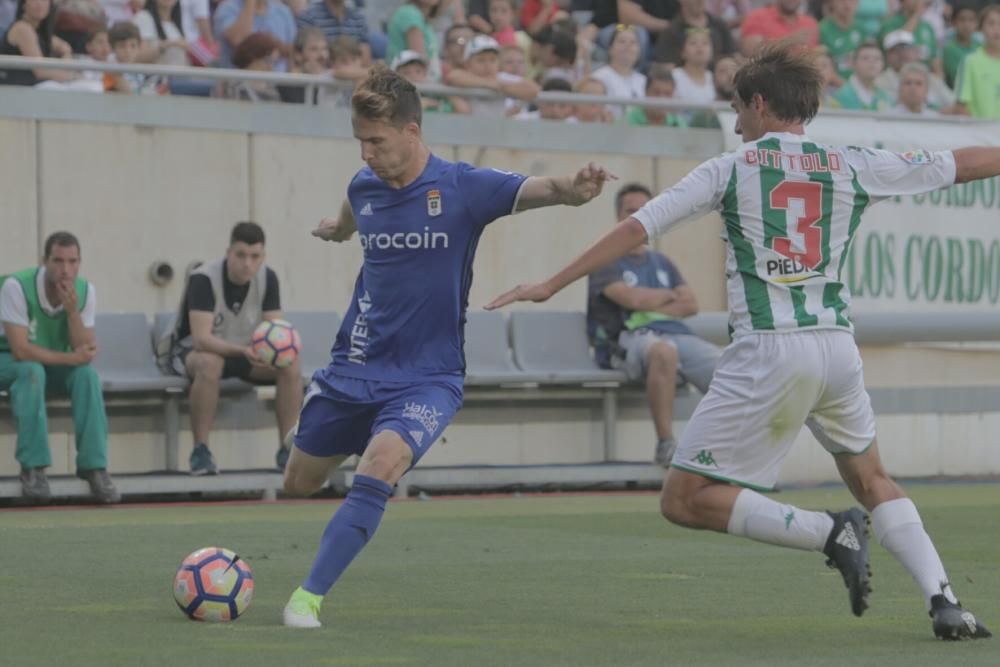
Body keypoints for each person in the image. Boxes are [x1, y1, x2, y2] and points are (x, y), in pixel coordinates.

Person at [485, 43, 998, 641]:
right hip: (836, 349)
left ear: (759, 103)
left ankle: (829, 532)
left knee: (683, 498)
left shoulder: (732, 167)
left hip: (770, 350)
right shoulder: (852, 161)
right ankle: (946, 601)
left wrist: (552, 281)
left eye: (737, 109)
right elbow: (956, 163)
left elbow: (637, 227)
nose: (734, 123)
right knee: (873, 476)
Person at [279, 64, 613, 628]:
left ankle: (306, 598)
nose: (366, 154)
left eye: (376, 142)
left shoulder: (463, 188)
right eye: (360, 141)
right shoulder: (363, 189)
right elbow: (348, 219)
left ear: (412, 131)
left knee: (382, 463)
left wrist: (574, 192)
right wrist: (333, 231)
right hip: (355, 367)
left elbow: (545, 190)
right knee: (297, 484)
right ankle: (304, 437)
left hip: (428, 377)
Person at [587, 183, 719, 465]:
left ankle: (724, 451)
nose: (638, 216)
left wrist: (651, 299)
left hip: (677, 335)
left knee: (729, 368)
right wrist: (670, 296)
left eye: (645, 210)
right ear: (618, 217)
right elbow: (631, 298)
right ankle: (666, 445)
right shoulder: (605, 258)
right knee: (663, 351)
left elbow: (691, 305)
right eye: (631, 211)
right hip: (628, 340)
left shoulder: (662, 262)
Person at [159, 222, 303, 475]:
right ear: (228, 253)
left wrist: (278, 350)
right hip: (190, 353)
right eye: (241, 255)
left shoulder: (268, 278)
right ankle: (200, 452)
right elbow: (201, 339)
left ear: (263, 257)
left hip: (246, 353)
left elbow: (276, 331)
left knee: (290, 365)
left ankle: (287, 450)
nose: (247, 263)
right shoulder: (203, 278)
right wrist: (243, 351)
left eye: (254, 256)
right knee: (209, 363)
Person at [0, 232, 120, 504]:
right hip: (8, 361)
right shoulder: (17, 287)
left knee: (86, 376)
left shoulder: (85, 291)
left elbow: (85, 350)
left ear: (79, 263)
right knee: (31, 371)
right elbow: (20, 349)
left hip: (47, 364)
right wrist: (71, 359)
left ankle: (94, 466)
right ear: (45, 261)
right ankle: (33, 468)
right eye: (58, 261)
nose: (65, 269)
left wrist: (73, 313)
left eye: (72, 261)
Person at [0, 0, 78, 87]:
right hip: (16, 89)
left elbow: (65, 47)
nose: (40, 4)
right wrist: (72, 76)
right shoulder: (22, 28)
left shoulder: (39, 32)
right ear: (24, 4)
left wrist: (66, 59)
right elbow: (40, 71)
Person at [213, 0, 297, 70]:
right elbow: (240, 41)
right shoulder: (228, 9)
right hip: (238, 85)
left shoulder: (283, 12)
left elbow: (292, 54)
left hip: (279, 85)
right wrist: (250, 3)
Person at [954, 5, 1000, 119]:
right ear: (981, 28)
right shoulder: (970, 62)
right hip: (981, 135)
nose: (997, 29)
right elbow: (961, 105)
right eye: (991, 23)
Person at [830, 41, 893, 111]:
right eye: (865, 58)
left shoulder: (886, 98)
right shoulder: (841, 96)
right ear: (853, 64)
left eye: (877, 58)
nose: (872, 62)